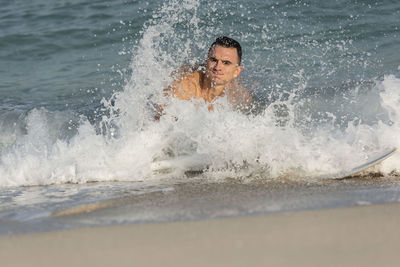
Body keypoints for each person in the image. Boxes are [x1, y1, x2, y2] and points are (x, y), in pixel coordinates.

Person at [158, 36, 252, 118]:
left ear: (236, 71)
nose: (218, 67)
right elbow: (160, 122)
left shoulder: (239, 95)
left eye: (226, 63)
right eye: (213, 60)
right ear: (206, 62)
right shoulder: (185, 87)